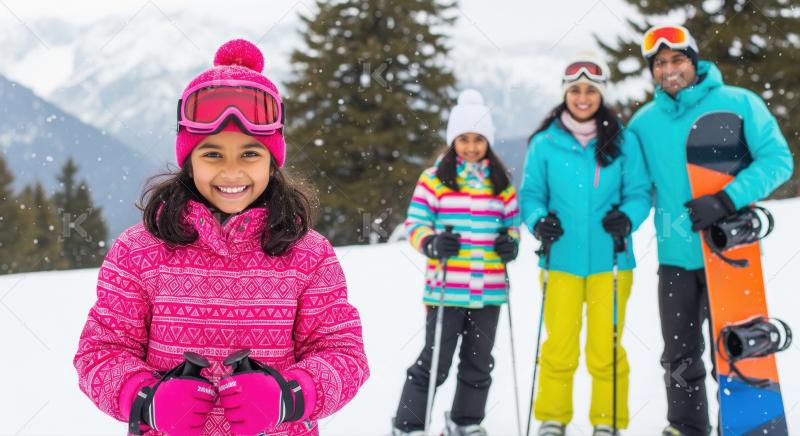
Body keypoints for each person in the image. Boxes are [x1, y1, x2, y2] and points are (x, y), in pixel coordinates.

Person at [73, 39, 369, 436]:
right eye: (212, 154)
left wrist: (288, 396)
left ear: (272, 162)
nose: (231, 172)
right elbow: (100, 352)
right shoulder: (139, 251)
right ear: (189, 161)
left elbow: (343, 354)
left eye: (250, 154)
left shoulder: (308, 254)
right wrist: (148, 400)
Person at [627, 25, 793, 436]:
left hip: (730, 253)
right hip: (674, 256)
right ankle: (686, 426)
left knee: (734, 351)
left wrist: (726, 199)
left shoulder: (739, 103)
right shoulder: (643, 124)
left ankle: (743, 426)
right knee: (678, 356)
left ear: (694, 61)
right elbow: (639, 190)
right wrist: (621, 220)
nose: (669, 70)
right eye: (660, 63)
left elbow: (778, 160)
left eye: (677, 59)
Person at [519, 52, 651, 436]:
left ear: (601, 94)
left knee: (604, 348)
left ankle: (607, 420)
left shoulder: (623, 140)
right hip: (560, 260)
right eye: (575, 90)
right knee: (559, 346)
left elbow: (640, 192)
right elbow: (530, 195)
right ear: (565, 94)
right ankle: (553, 418)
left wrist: (628, 217)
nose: (582, 97)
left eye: (590, 90)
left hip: (611, 260)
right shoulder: (545, 143)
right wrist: (538, 221)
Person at [391, 89, 520, 436]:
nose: (472, 146)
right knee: (436, 361)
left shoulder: (500, 183)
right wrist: (432, 242)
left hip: (489, 291)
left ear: (488, 141)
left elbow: (512, 226)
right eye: (464, 139)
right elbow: (415, 224)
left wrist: (510, 244)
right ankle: (408, 425)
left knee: (479, 362)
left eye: (479, 139)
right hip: (447, 289)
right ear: (453, 141)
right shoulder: (434, 179)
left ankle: (466, 421)